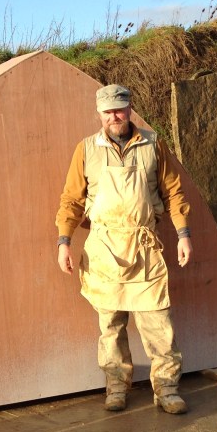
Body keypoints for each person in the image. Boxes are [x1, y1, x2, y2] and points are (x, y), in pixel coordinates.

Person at [55, 83, 193, 415]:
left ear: (129, 109)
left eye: (119, 110)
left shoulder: (153, 144)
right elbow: (71, 201)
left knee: (159, 323)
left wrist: (184, 234)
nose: (114, 117)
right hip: (103, 250)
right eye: (108, 112)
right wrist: (64, 242)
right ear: (99, 113)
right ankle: (116, 386)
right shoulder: (86, 149)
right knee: (111, 326)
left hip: (144, 248)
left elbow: (174, 192)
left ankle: (167, 389)